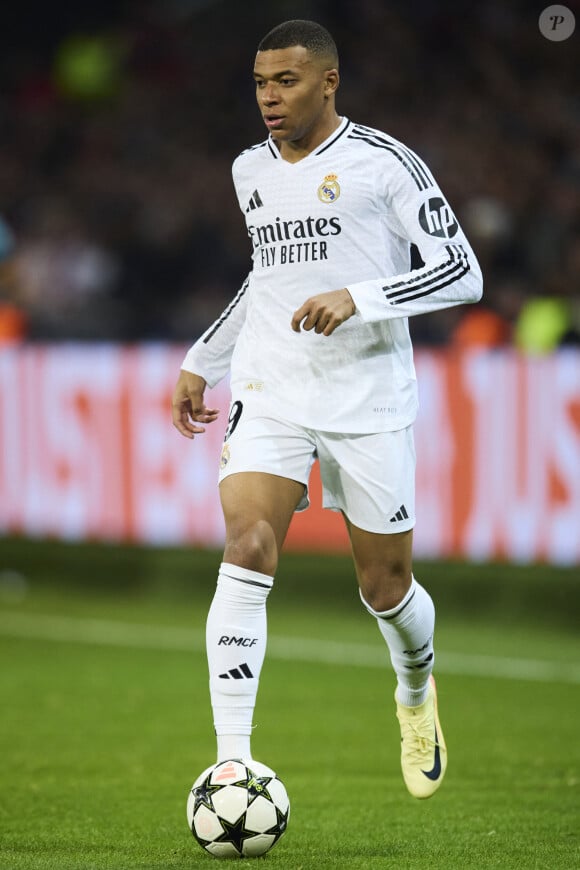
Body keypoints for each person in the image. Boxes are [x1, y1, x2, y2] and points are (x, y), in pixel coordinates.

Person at [172, 19, 482, 800]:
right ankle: (231, 762)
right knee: (247, 545)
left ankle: (415, 692)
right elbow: (265, 279)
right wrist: (202, 360)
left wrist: (361, 297)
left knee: (386, 586)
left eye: (286, 81)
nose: (269, 98)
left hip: (368, 397)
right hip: (271, 387)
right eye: (260, 83)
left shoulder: (385, 165)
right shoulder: (249, 169)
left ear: (329, 82)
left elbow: (462, 271)